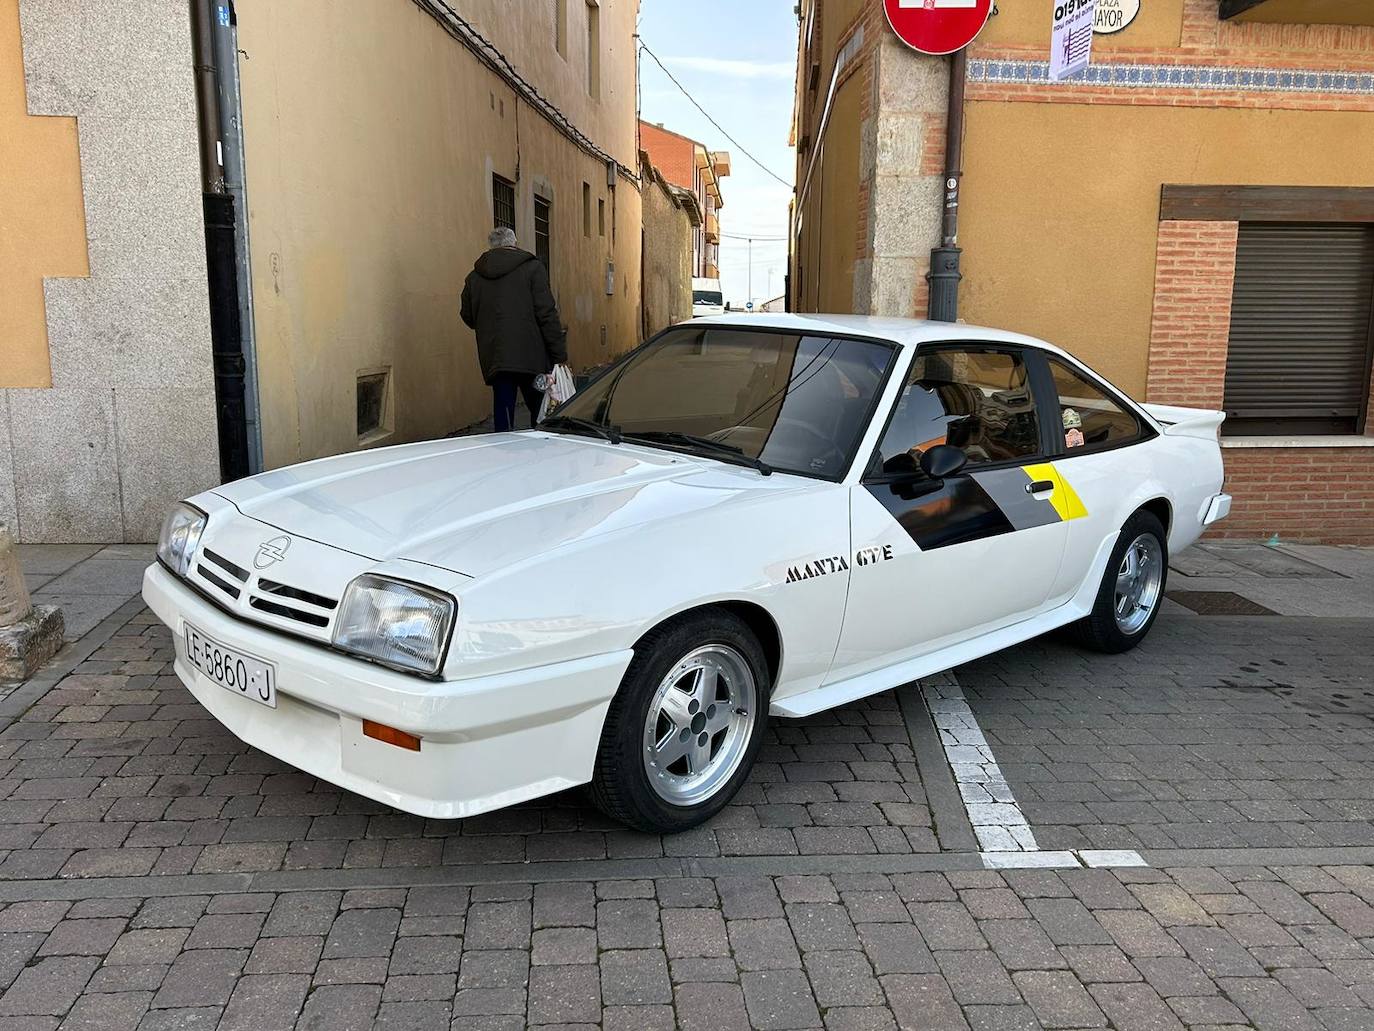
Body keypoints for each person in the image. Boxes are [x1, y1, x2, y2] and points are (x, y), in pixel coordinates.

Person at [460, 227, 567, 432]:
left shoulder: (474, 277)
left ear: (491, 246)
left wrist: (488, 326)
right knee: (540, 412)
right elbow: (546, 313)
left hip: (497, 355)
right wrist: (558, 353)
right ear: (514, 243)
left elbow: (467, 315)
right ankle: (540, 456)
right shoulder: (533, 269)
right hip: (532, 355)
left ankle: (505, 457)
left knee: (503, 412)